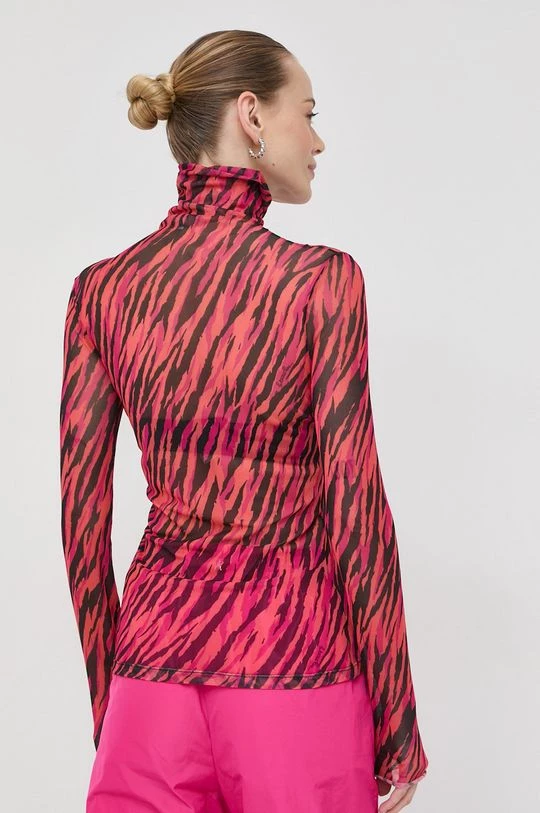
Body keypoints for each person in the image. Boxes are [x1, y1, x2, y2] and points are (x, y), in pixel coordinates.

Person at [59, 28, 429, 813]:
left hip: (149, 680)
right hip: (293, 670)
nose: (318, 140)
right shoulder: (319, 283)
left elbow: (81, 521)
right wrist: (397, 718)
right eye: (309, 113)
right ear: (252, 115)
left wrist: (112, 702)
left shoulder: (103, 289)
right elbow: (356, 505)